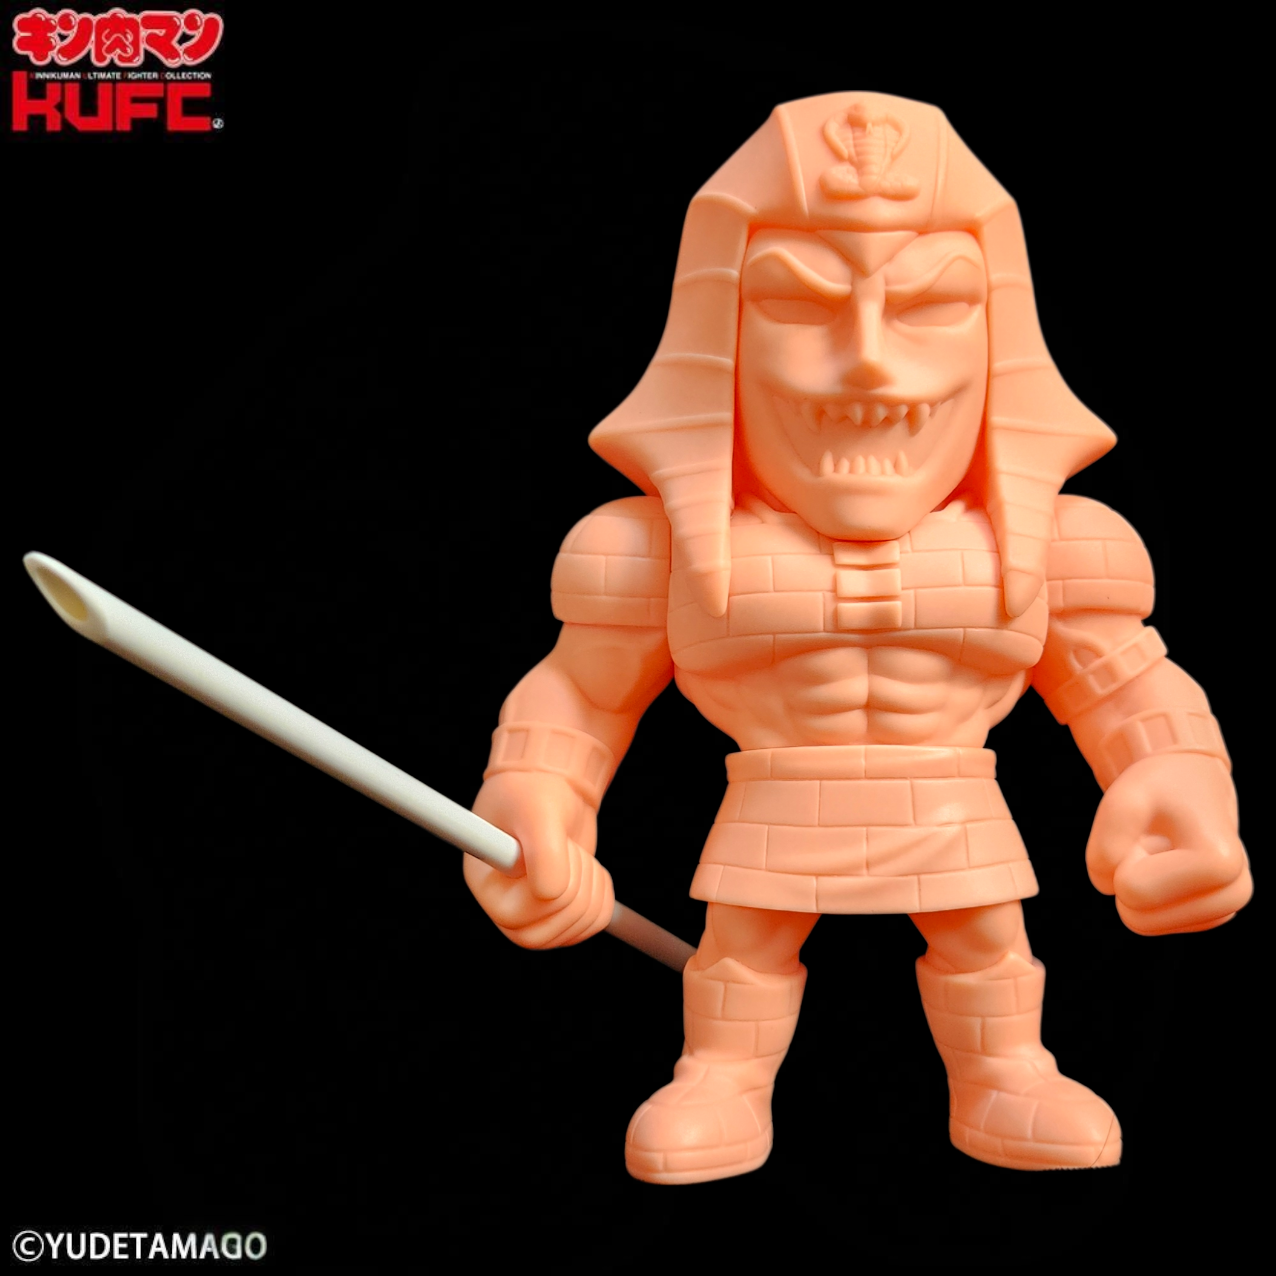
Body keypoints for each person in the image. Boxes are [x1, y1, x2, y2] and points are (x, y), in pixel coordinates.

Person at [462, 91, 1252, 1184]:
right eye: (798, 301)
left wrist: (1180, 774)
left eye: (931, 300)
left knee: (985, 943)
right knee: (744, 949)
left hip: (953, 804)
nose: (870, 359)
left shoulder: (1058, 546)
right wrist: (533, 797)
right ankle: (722, 1077)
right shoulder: (650, 552)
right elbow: (581, 696)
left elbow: (1124, 683)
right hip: (774, 805)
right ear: (718, 337)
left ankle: (1006, 1071)